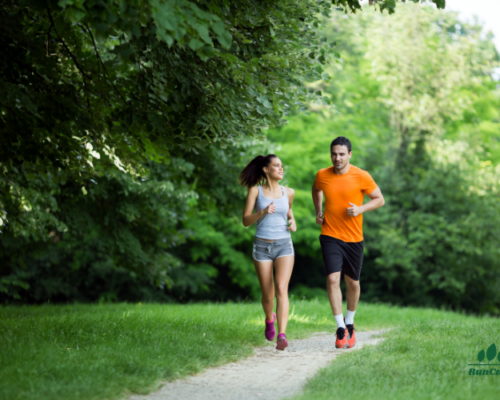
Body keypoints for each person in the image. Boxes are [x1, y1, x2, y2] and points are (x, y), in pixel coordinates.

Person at [311, 137, 385, 349]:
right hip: (330, 235)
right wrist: (319, 211)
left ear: (350, 155)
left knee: (352, 283)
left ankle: (350, 322)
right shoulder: (322, 175)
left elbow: (379, 199)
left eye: (342, 154)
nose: (337, 158)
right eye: (334, 153)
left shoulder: (361, 176)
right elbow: (316, 190)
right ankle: (340, 328)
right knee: (333, 279)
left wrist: (361, 209)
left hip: (354, 238)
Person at [240, 154, 297, 351]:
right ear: (266, 169)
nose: (281, 168)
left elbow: (288, 211)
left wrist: (293, 220)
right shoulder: (255, 191)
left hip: (284, 245)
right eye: (276, 165)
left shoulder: (288, 192)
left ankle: (282, 335)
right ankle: (269, 319)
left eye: (282, 165)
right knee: (268, 294)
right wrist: (262, 212)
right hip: (262, 247)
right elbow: (246, 221)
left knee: (282, 288)